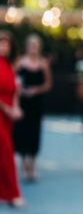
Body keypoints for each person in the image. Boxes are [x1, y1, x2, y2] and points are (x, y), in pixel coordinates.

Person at [13, 33, 52, 182]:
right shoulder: (20, 62)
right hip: (23, 102)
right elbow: (13, 80)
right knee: (22, 132)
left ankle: (33, 165)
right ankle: (25, 166)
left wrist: (36, 90)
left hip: (36, 104)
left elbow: (48, 84)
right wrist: (21, 91)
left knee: (34, 132)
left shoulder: (43, 64)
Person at [0, 30, 25, 208]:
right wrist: (7, 109)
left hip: (9, 116)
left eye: (6, 44)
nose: (3, 47)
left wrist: (15, 107)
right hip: (1, 113)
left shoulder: (8, 65)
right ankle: (13, 194)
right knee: (7, 153)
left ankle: (5, 192)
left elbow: (14, 89)